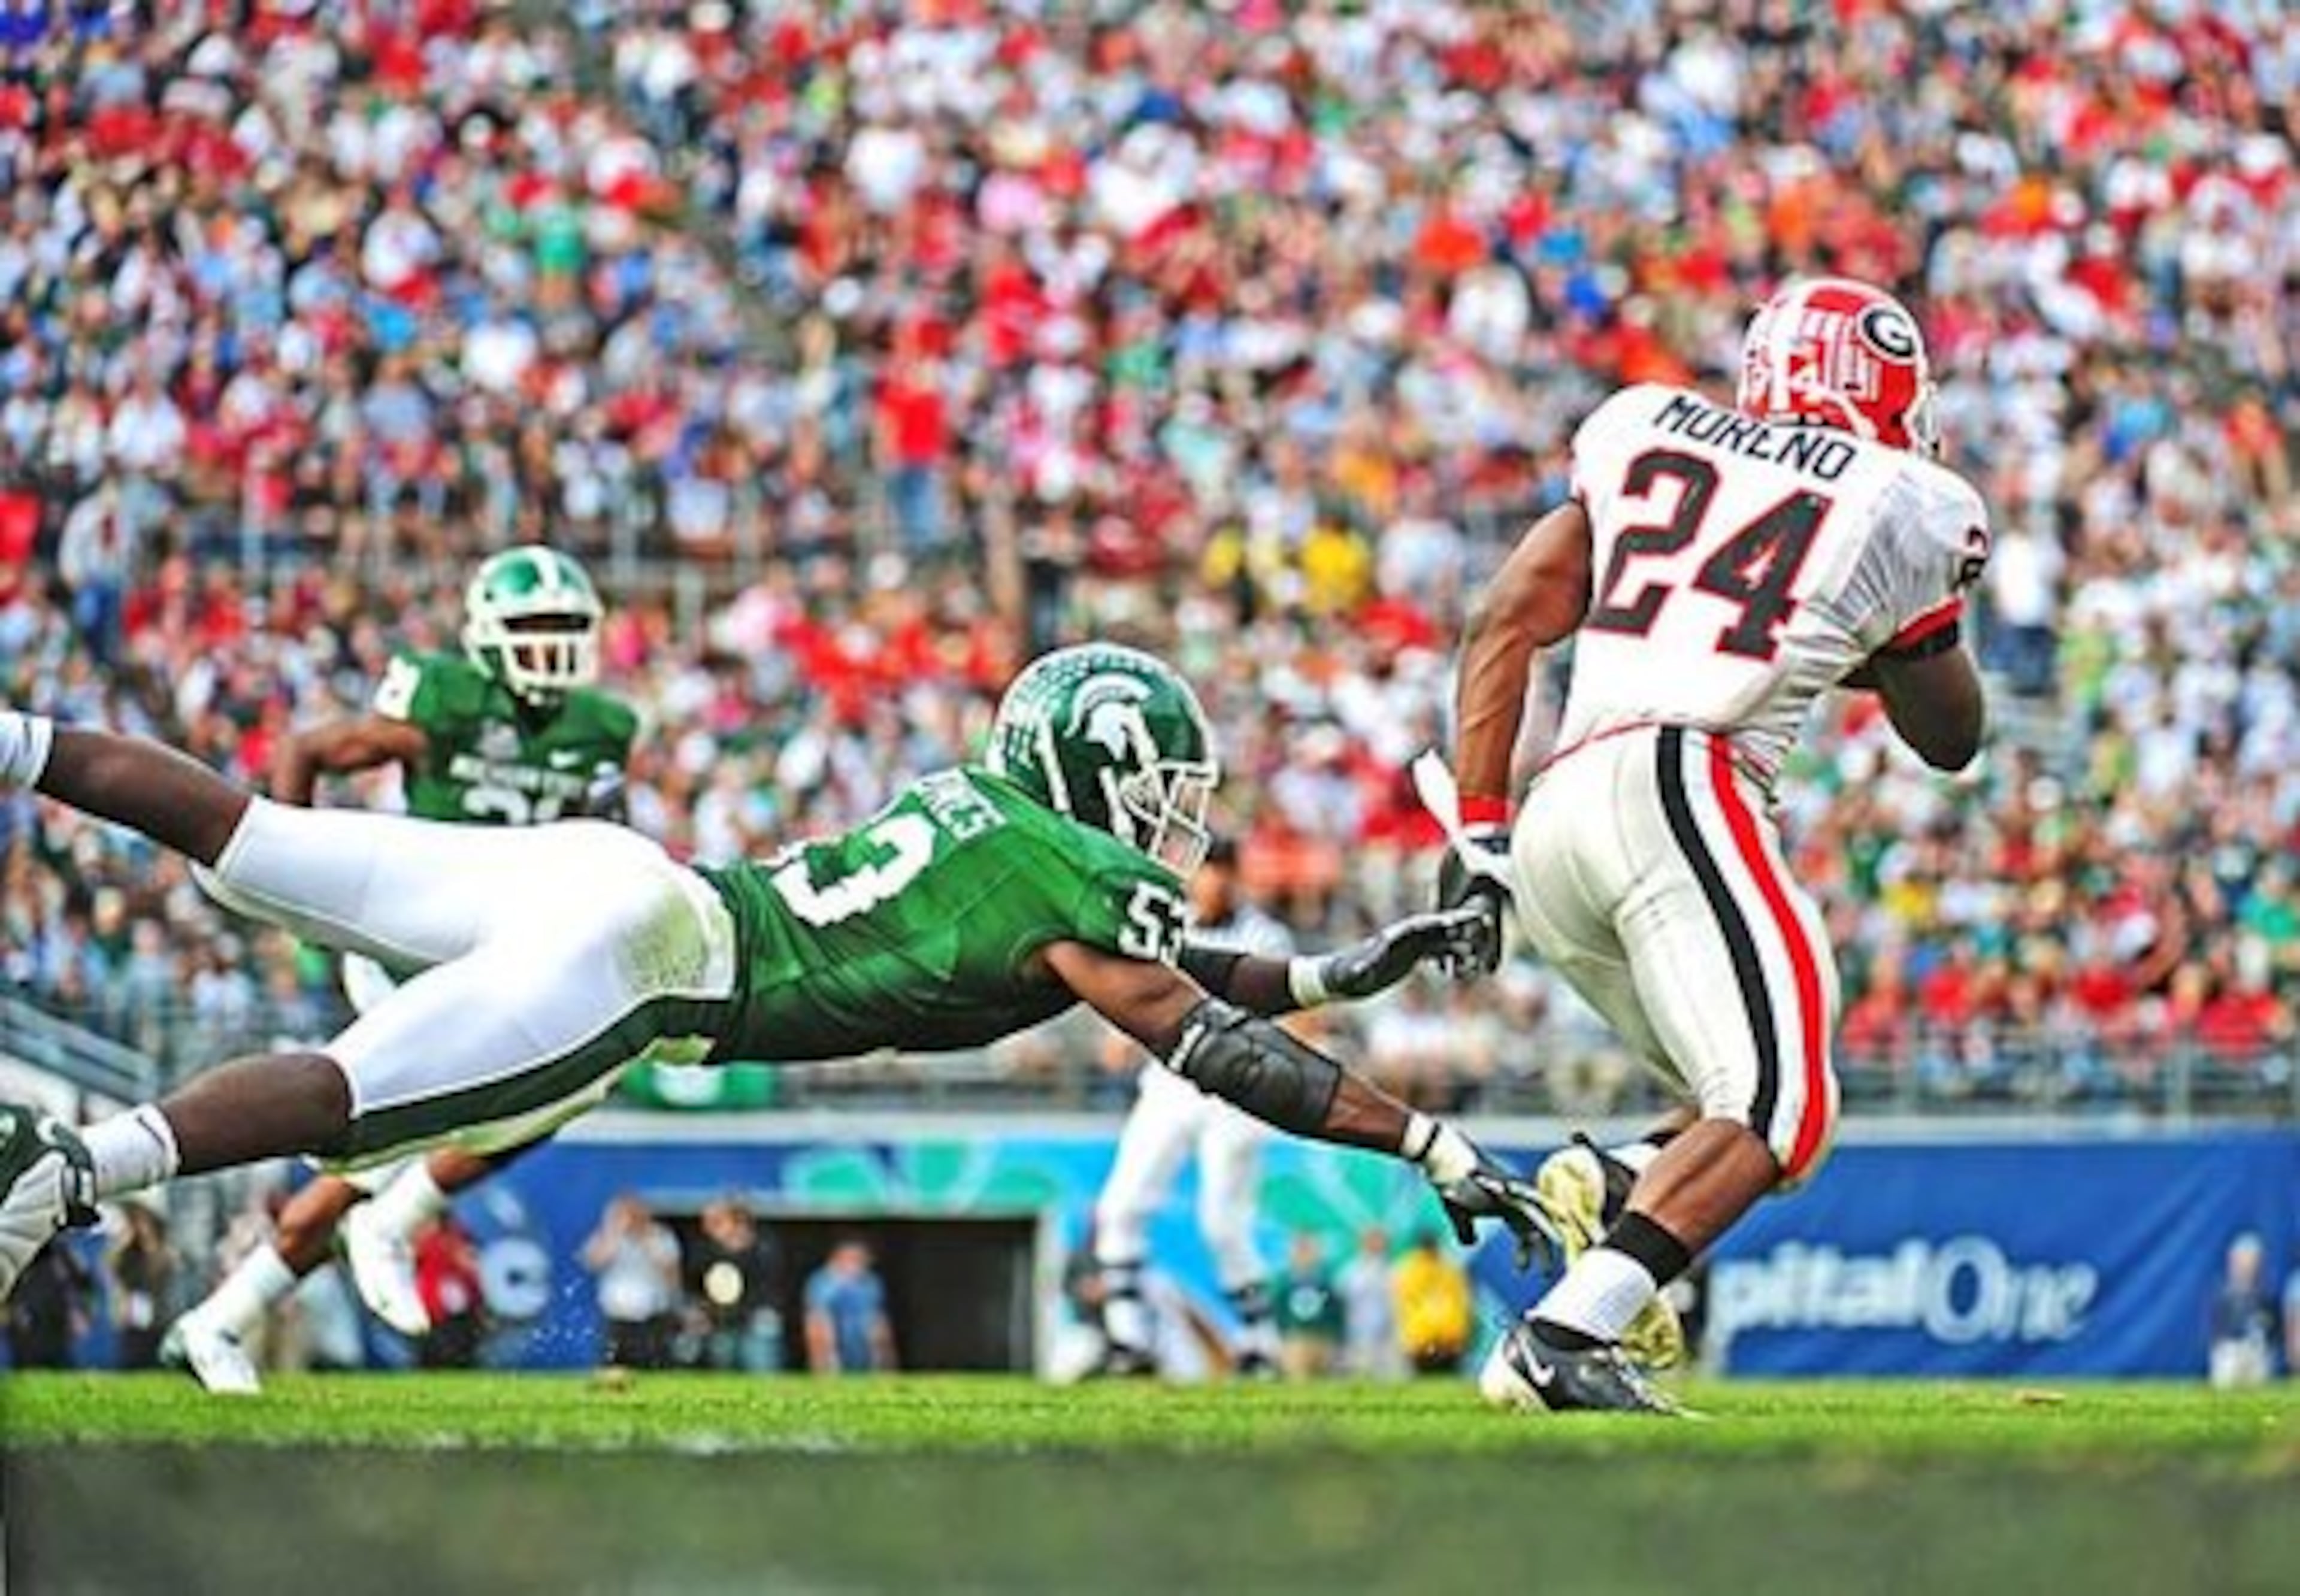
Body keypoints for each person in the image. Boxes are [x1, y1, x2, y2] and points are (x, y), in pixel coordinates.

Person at [0, 644, 1559, 1331]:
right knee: (358, 1104)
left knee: (241, 828)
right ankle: (75, 1169)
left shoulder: (1003, 831)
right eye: (1160, 790)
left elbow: (1184, 976)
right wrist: (1429, 1143)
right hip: (652, 958)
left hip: (616, 877)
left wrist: (1364, 964)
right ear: (1099, 774)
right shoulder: (1075, 882)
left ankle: (20, 739)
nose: (1172, 823)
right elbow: (1200, 1037)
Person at [1438, 277, 1992, 1415]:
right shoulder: (1905, 497)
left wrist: (1480, 826)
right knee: (1783, 1101)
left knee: (1746, 1112)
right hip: (1684, 783)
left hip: (1556, 821)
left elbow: (1507, 618)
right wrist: (1879, 635)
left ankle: (1616, 1182)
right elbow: (1951, 735)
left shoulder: (1644, 427)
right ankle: (1560, 1338)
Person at [160, 546, 637, 1394]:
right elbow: (309, 749)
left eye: (565, 626)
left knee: (557, 1086)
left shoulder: (601, 728)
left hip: (498, 947)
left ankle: (222, 1319)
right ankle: (388, 1224)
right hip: (405, 944)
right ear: (489, 636)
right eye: (533, 627)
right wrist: (291, 885)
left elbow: (604, 847)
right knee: (410, 1130)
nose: (552, 644)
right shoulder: (448, 697)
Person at [1090, 835, 1294, 1377]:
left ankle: (1260, 1342)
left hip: (1236, 1086)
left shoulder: (1264, 934)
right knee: (1121, 1205)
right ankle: (1127, 1338)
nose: (1217, 880)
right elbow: (1134, 996)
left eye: (1226, 870)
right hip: (1171, 1079)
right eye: (1209, 870)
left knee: (1223, 1223)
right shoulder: (1165, 927)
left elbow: (1297, 1014)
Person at [582, 1193, 682, 1370]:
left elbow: (671, 1273)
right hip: (618, 1316)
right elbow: (594, 1262)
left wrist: (643, 1239)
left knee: (655, 1366)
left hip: (652, 1316)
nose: (630, 1221)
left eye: (634, 1215)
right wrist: (615, 1233)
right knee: (613, 1365)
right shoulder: (607, 1238)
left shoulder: (660, 1237)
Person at [685, 1195, 783, 1372]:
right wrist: (701, 1313)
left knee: (763, 1371)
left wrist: (737, 1245)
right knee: (724, 1373)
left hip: (757, 1321)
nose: (708, 1227)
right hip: (722, 1322)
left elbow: (767, 1281)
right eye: (707, 1222)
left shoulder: (763, 1245)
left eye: (716, 1222)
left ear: (735, 1221)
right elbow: (697, 1285)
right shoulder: (705, 1250)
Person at [804, 1237, 897, 1375]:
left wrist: (884, 1357)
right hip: (834, 1345)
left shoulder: (871, 1283)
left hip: (861, 1345)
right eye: (854, 1259)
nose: (859, 1264)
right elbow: (818, 1321)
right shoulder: (823, 1283)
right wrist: (828, 1358)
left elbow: (877, 1320)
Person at [105, 1201, 177, 1370]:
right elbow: (112, 1268)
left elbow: (164, 1269)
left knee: (156, 1360)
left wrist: (151, 1242)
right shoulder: (128, 1252)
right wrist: (124, 1241)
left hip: (159, 1315)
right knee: (131, 1359)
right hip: (133, 1317)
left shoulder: (163, 1251)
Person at [1390, 1230, 1472, 1377]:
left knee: (1446, 1377)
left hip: (1440, 1335)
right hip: (1425, 1335)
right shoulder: (1411, 1270)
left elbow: (1461, 1301)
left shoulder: (1448, 1268)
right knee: (1430, 1376)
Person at [2207, 1232, 2278, 1390]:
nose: (2246, 1265)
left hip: (2256, 1349)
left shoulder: (2264, 1297)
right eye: (2242, 1260)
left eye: (2251, 1260)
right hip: (2231, 1349)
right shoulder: (2224, 1296)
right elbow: (2218, 1329)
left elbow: (2272, 1328)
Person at [1270, 1231, 1344, 1380]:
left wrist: (1337, 1338)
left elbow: (1336, 1311)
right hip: (1295, 1337)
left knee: (1326, 1383)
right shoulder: (1285, 1280)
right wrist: (1281, 1338)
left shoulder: (1326, 1280)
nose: (1304, 1253)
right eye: (1300, 1248)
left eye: (1308, 1248)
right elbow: (1277, 1312)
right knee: (1298, 1381)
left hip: (1323, 1337)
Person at [1336, 1225, 1403, 1380]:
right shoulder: (1350, 1272)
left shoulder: (1394, 1270)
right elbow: (1341, 1304)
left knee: (1391, 1380)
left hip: (1388, 1338)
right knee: (1359, 1378)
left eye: (1379, 1241)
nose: (1375, 1245)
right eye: (1371, 1241)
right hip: (1357, 1337)